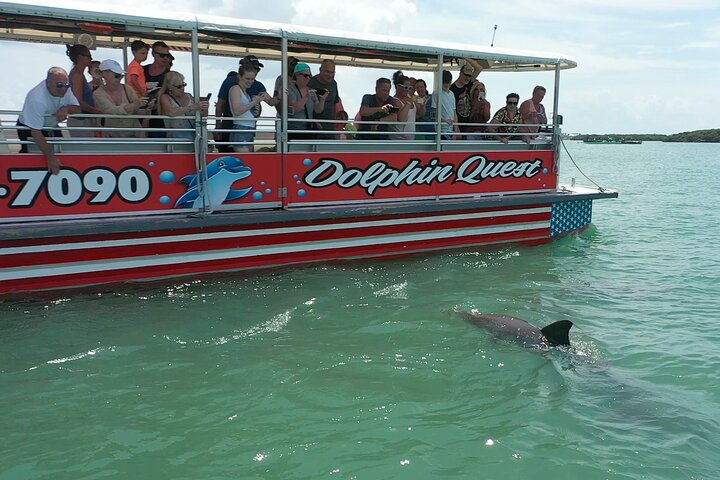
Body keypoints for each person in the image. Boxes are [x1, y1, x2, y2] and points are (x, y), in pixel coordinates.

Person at [16, 67, 80, 174]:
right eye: (59, 85)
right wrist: (50, 158)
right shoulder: (36, 98)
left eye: (67, 85)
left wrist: (66, 109)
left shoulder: (66, 89)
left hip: (52, 126)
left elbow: (78, 109)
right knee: (32, 156)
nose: (63, 89)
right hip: (29, 127)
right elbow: (36, 132)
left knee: (62, 151)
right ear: (48, 83)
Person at [215, 55, 275, 152]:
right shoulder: (233, 86)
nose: (255, 72)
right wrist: (217, 125)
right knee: (241, 161)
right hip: (236, 128)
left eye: (257, 69)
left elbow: (271, 102)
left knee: (245, 161)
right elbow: (230, 108)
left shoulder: (250, 88)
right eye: (253, 68)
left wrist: (280, 95)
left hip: (248, 129)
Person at [92, 59, 148, 138]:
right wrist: (135, 105)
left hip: (135, 135)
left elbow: (137, 111)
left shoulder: (127, 88)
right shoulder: (98, 94)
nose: (120, 78)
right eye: (117, 75)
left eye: (121, 75)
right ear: (104, 74)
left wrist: (147, 107)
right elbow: (112, 111)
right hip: (112, 137)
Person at [227, 63, 272, 152]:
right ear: (239, 76)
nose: (250, 81)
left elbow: (245, 111)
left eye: (252, 79)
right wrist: (254, 102)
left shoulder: (246, 93)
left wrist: (255, 111)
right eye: (247, 78)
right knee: (245, 160)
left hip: (249, 128)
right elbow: (237, 111)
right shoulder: (235, 89)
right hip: (241, 129)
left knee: (248, 160)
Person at [157, 71, 208, 140]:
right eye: (179, 86)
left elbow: (203, 116)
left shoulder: (189, 96)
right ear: (169, 86)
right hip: (176, 140)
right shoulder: (165, 97)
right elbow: (170, 112)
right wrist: (192, 107)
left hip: (195, 139)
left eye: (184, 85)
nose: (182, 88)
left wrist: (205, 107)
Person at [66, 44, 102, 137]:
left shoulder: (77, 73)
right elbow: (78, 101)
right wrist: (98, 111)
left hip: (82, 119)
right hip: (80, 121)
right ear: (80, 57)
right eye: (89, 56)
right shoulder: (77, 75)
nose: (91, 58)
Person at [287, 62, 327, 141]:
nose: (308, 78)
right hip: (295, 130)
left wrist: (322, 99)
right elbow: (294, 109)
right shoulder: (290, 89)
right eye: (305, 76)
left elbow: (318, 110)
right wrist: (306, 97)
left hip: (309, 129)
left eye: (310, 76)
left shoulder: (310, 90)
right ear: (297, 76)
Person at [144, 41, 172, 137]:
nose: (165, 58)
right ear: (153, 54)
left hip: (161, 120)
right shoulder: (141, 70)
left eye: (167, 55)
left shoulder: (170, 76)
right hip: (140, 116)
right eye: (162, 55)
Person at [450, 57, 483, 136]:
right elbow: (452, 110)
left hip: (467, 124)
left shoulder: (468, 84)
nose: (467, 78)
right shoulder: (452, 89)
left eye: (469, 76)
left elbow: (479, 68)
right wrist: (456, 127)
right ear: (460, 73)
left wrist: (465, 57)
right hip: (456, 126)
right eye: (466, 75)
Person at [308, 59, 341, 136]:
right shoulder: (310, 82)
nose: (330, 75)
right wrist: (313, 121)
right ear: (320, 70)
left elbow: (334, 103)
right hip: (313, 127)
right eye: (327, 72)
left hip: (330, 127)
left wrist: (334, 123)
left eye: (332, 72)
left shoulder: (334, 84)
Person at [388, 70, 417, 140]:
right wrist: (409, 102)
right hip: (397, 140)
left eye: (410, 88)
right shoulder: (394, 101)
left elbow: (417, 115)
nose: (408, 90)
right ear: (398, 87)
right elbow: (401, 119)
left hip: (411, 139)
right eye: (406, 87)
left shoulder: (410, 100)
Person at [433, 70, 459, 140]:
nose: (447, 85)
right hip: (440, 129)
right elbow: (434, 112)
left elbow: (454, 112)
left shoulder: (452, 94)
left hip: (451, 129)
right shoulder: (436, 93)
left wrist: (456, 128)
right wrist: (444, 120)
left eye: (448, 82)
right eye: (444, 83)